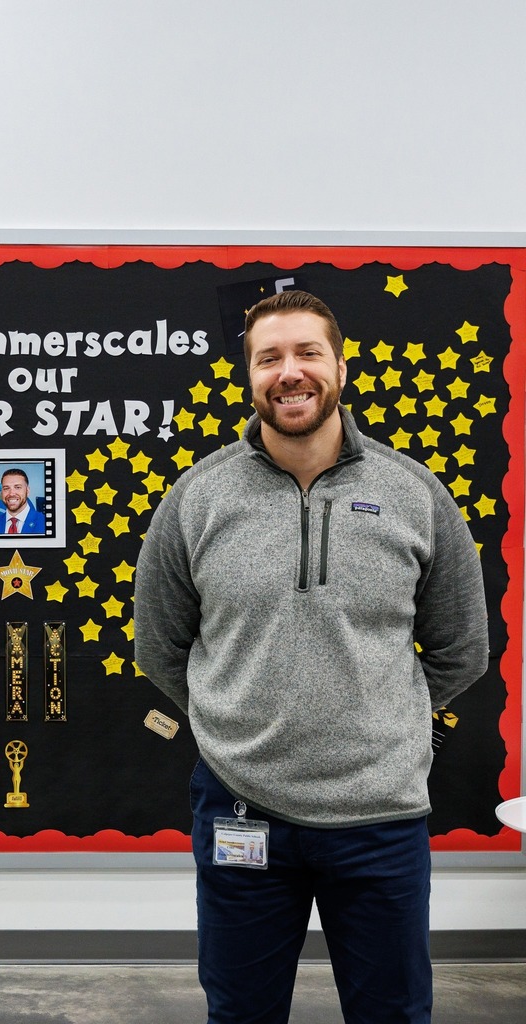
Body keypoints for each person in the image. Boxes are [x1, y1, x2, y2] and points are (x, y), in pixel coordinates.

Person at [134, 290, 489, 1024]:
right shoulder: (197, 499)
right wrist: (237, 721)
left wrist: (389, 728)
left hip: (381, 816)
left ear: (340, 367)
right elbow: (160, 646)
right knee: (241, 1014)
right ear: (249, 375)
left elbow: (462, 647)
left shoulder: (413, 494)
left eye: (306, 353)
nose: (289, 372)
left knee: (393, 1014)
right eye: (270, 358)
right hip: (241, 807)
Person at [0, 467, 46, 535]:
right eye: (6, 488)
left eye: (17, 487)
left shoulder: (45, 522)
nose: (11, 493)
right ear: (1, 492)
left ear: (27, 491)